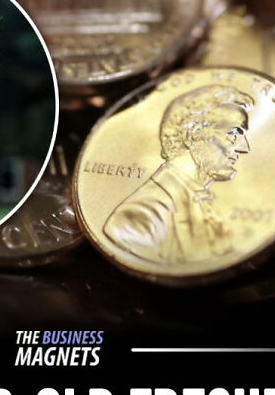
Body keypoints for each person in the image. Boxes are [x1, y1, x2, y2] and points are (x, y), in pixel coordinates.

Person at [103, 84, 253, 264]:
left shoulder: (201, 205)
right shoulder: (140, 217)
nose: (245, 148)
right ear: (192, 135)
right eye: (234, 133)